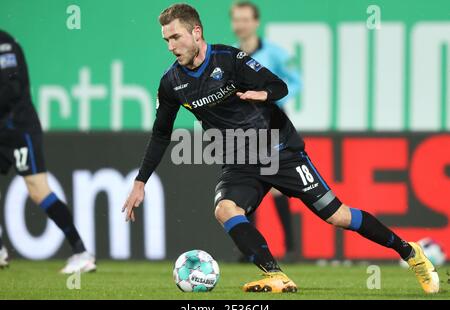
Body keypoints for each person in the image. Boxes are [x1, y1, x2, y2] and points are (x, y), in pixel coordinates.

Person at [122, 3, 439, 293]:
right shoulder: (171, 82)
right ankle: (274, 273)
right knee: (225, 209)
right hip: (239, 159)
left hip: (279, 150)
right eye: (166, 40)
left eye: (176, 37)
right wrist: (140, 182)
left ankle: (411, 253)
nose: (171, 46)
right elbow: (162, 134)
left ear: (196, 32)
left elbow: (279, 85)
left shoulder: (230, 59)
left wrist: (263, 95)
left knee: (337, 215)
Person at [0, 30, 96, 274]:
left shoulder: (5, 45)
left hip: (19, 129)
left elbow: (11, 88)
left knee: (38, 190)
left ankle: (81, 253)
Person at [230, 1, 301, 261]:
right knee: (249, 178)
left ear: (256, 22)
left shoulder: (275, 54)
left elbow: (295, 82)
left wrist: (269, 97)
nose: (241, 25)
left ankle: (290, 247)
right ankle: (249, 249)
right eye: (237, 20)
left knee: (275, 183)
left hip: (271, 121)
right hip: (243, 124)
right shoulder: (232, 55)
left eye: (245, 19)